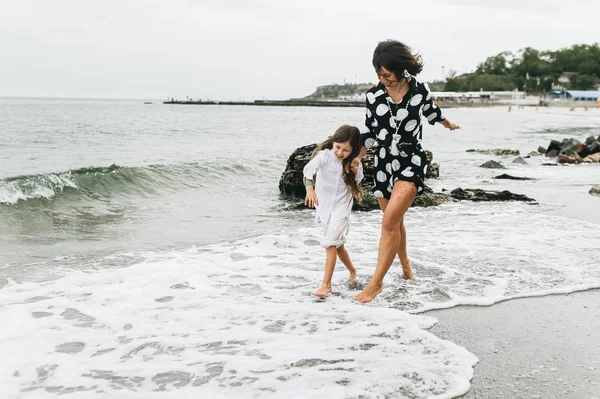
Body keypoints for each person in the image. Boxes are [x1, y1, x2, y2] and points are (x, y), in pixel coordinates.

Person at [351, 40, 460, 303]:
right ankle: (406, 264)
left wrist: (448, 124)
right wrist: (355, 159)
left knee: (388, 223)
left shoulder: (419, 90)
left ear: (400, 69)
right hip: (383, 164)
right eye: (378, 73)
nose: (382, 78)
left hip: (411, 160)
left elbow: (432, 112)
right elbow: (369, 133)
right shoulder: (373, 96)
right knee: (394, 221)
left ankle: (375, 284)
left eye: (386, 73)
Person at [303, 125, 364, 297]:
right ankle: (353, 270)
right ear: (333, 142)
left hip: (342, 207)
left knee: (330, 243)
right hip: (323, 207)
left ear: (353, 150)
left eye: (346, 150)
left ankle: (326, 285)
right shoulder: (324, 156)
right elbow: (309, 170)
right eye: (338, 147)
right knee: (337, 246)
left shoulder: (352, 162)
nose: (340, 152)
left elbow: (358, 180)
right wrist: (310, 189)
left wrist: (355, 167)